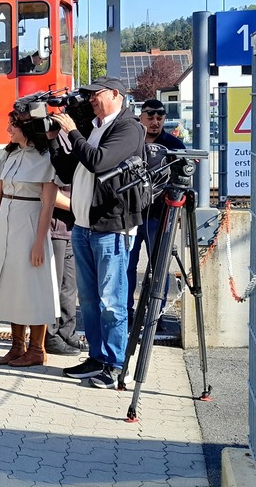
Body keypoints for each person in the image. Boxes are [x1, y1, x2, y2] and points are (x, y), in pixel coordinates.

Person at [49, 76, 146, 389]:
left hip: (110, 227)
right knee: (89, 301)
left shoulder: (128, 128)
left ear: (115, 94)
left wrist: (72, 131)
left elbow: (98, 162)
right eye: (88, 95)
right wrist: (53, 138)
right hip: (83, 226)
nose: (90, 99)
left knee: (111, 302)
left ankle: (116, 364)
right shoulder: (95, 126)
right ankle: (97, 357)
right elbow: (68, 170)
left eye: (95, 94)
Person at [0, 113, 59, 367]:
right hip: (7, 223)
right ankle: (17, 345)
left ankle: (37, 348)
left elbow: (48, 205)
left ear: (27, 128)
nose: (8, 129)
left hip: (31, 222)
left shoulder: (45, 158)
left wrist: (39, 241)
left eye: (13, 125)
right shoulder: (9, 155)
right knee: (10, 282)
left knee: (33, 283)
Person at [127, 99, 187, 324]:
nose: (154, 122)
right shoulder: (130, 141)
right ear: (140, 117)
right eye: (150, 117)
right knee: (127, 267)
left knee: (158, 268)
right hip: (131, 214)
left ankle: (156, 314)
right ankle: (127, 312)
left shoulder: (173, 144)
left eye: (159, 118)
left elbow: (183, 182)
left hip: (159, 216)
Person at [44, 184, 85, 355]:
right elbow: (49, 193)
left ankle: (68, 333)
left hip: (71, 228)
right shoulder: (54, 159)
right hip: (55, 228)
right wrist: (83, 208)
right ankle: (50, 336)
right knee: (54, 286)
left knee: (69, 286)